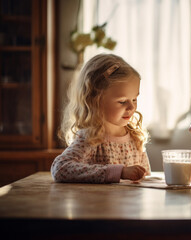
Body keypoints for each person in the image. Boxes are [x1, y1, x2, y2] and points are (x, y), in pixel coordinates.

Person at [51, 53, 151, 183]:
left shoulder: (135, 137)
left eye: (134, 99)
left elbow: (145, 179)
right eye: (122, 101)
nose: (132, 107)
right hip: (96, 203)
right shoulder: (91, 138)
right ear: (95, 100)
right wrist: (120, 172)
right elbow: (60, 169)